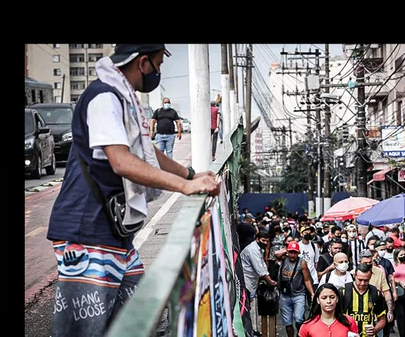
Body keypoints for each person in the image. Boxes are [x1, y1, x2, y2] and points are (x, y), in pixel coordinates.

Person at [46, 44, 219, 337]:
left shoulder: (121, 98)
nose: (159, 71)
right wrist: (186, 187)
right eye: (158, 63)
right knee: (82, 331)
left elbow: (146, 152)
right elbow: (122, 161)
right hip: (86, 236)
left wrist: (191, 173)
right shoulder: (104, 97)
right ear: (143, 63)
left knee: (148, 320)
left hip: (113, 234)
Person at [240, 231, 277, 335]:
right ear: (257, 239)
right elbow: (260, 269)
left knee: (249, 306)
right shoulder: (253, 249)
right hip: (246, 281)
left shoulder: (259, 249)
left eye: (267, 241)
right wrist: (270, 282)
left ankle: (251, 330)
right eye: (263, 240)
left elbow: (262, 266)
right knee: (246, 307)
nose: (265, 243)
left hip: (252, 282)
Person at [277, 241, 315, 337]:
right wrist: (287, 249)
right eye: (291, 252)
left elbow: (306, 280)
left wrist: (312, 293)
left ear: (298, 253)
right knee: (287, 322)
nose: (292, 255)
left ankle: (300, 334)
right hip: (285, 294)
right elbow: (276, 254)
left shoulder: (302, 263)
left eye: (295, 252)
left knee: (299, 319)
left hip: (298, 294)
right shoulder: (284, 259)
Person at [340, 263, 388, 337]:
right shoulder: (343, 291)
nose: (362, 283)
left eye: (366, 280)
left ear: (370, 277)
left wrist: (375, 330)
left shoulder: (376, 293)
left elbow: (382, 319)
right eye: (360, 280)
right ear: (354, 275)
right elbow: (334, 317)